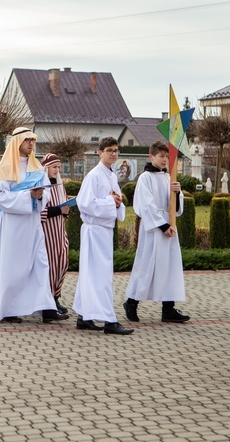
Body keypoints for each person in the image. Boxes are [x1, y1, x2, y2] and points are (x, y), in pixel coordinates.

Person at [0, 127, 64, 324]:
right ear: (17, 142)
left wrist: (40, 196)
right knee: (14, 267)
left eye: (33, 140)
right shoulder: (6, 167)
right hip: (13, 225)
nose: (31, 144)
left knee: (40, 264)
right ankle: (8, 310)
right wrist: (27, 195)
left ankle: (46, 308)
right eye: (27, 141)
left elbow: (46, 193)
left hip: (32, 222)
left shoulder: (37, 168)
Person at [73, 137, 133, 335]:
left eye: (116, 150)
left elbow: (116, 200)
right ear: (100, 152)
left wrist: (116, 202)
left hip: (104, 231)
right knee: (100, 276)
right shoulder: (94, 176)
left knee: (93, 275)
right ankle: (109, 321)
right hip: (95, 230)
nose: (113, 154)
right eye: (109, 150)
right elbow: (85, 203)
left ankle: (84, 316)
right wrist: (111, 202)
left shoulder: (111, 176)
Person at [124, 141, 189, 324]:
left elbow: (175, 208)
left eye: (167, 157)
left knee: (169, 267)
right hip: (154, 230)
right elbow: (146, 206)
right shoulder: (145, 178)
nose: (164, 160)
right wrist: (163, 227)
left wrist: (177, 193)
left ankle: (168, 309)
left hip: (168, 226)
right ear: (151, 156)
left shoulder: (168, 177)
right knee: (147, 267)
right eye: (161, 156)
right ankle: (131, 303)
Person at [40, 153, 71, 314]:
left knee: (62, 263)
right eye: (54, 167)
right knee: (50, 266)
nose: (56, 170)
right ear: (46, 168)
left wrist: (65, 210)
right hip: (47, 232)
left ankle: (56, 295)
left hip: (60, 230)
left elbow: (64, 203)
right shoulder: (42, 185)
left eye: (58, 167)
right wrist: (59, 210)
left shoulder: (60, 185)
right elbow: (40, 211)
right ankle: (48, 301)